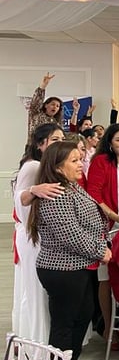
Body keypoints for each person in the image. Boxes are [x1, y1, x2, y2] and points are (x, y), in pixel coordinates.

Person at [27, 141, 110, 360]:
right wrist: (101, 250)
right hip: (62, 269)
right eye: (74, 160)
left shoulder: (71, 186)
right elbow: (70, 235)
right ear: (57, 167)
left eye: (80, 158)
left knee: (81, 317)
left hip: (78, 266)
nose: (80, 163)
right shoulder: (56, 194)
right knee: (64, 326)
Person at [12, 123, 66, 345]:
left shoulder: (48, 166)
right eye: (55, 140)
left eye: (62, 139)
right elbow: (20, 200)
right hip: (33, 237)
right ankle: (36, 344)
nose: (60, 143)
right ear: (40, 144)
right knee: (35, 292)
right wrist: (34, 191)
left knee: (39, 293)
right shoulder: (33, 166)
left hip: (40, 235)